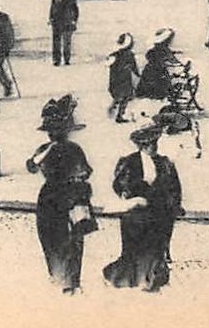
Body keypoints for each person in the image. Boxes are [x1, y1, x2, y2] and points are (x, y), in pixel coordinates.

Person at [102, 121, 184, 292]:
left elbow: (175, 187)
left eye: (154, 143)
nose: (152, 147)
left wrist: (173, 205)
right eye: (148, 144)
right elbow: (119, 185)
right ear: (141, 145)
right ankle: (134, 278)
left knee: (156, 248)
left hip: (159, 212)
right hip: (136, 213)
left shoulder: (165, 162)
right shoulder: (129, 162)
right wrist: (132, 195)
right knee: (134, 249)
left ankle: (150, 280)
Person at [26, 96, 95, 293]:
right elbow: (86, 172)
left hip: (56, 198)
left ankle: (65, 281)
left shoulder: (64, 150)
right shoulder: (66, 149)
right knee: (65, 240)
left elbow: (32, 166)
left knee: (60, 240)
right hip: (64, 198)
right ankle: (68, 281)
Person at [136, 28, 178, 100]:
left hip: (149, 69)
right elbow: (172, 60)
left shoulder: (154, 48)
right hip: (159, 70)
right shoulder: (165, 50)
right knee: (162, 84)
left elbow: (148, 55)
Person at [48, 0, 79, 66]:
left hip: (67, 21)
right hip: (56, 22)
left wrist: (74, 20)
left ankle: (66, 58)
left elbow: (75, 10)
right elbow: (52, 8)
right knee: (56, 42)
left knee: (66, 41)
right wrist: (50, 18)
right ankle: (56, 59)